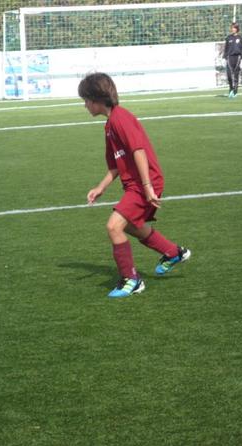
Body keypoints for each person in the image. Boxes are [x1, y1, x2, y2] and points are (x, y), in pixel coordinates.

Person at [78, 72, 191, 298]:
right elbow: (116, 165)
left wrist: (147, 187)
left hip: (144, 182)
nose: (85, 105)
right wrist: (101, 187)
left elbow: (138, 150)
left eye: (86, 100)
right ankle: (173, 252)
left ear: (97, 99)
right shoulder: (110, 124)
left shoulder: (120, 118)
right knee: (129, 226)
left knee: (114, 226)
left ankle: (131, 280)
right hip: (136, 184)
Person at [223, 22, 242, 98]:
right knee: (229, 75)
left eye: (234, 28)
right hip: (229, 58)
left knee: (236, 75)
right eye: (232, 28)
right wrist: (224, 58)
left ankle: (235, 91)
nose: (233, 29)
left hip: (237, 58)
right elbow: (226, 49)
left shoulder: (240, 38)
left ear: (237, 29)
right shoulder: (228, 38)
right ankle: (231, 88)